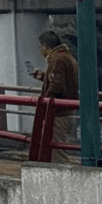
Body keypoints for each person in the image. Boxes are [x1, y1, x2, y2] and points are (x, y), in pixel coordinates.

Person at [31, 29, 79, 164]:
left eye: (40, 47)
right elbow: (57, 80)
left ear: (46, 46)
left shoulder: (58, 60)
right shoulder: (66, 57)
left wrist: (45, 101)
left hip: (59, 113)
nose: (40, 50)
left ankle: (62, 179)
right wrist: (41, 76)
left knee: (57, 151)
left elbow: (57, 86)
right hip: (66, 111)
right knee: (56, 147)